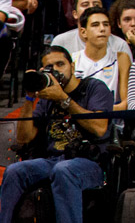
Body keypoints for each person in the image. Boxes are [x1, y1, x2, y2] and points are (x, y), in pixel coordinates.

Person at [0, 45, 112, 223]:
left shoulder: (93, 87)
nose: (56, 71)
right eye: (50, 68)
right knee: (15, 171)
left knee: (64, 170)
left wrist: (63, 99)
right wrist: (29, 97)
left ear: (73, 67)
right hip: (52, 160)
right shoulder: (46, 98)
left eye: (61, 64)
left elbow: (99, 128)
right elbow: (24, 138)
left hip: (90, 162)